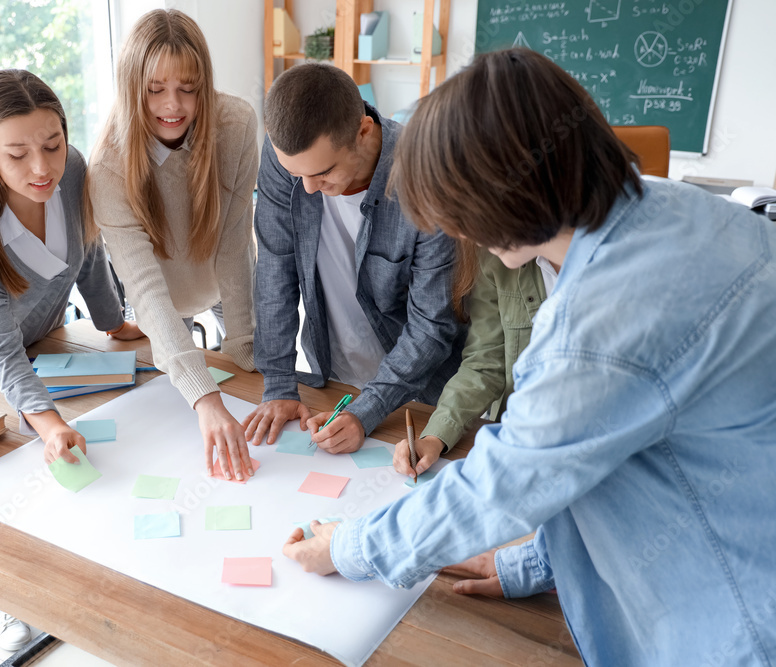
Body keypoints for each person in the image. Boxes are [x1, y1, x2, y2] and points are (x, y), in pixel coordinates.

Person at [283, 48, 776, 665]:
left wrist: (347, 547)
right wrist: (536, 562)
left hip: (734, 624)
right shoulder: (679, 209)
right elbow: (609, 452)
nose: (459, 234)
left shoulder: (602, 319)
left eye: (458, 210)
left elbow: (505, 483)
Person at [0, 69, 143, 650]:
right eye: (17, 154)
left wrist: (112, 322)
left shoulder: (72, 174)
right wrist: (49, 424)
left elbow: (88, 252)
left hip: (38, 338)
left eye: (52, 145)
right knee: (5, 470)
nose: (42, 168)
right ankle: (11, 605)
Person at [245, 63, 464, 455]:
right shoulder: (288, 157)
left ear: (363, 132)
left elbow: (431, 326)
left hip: (420, 397)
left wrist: (368, 410)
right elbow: (275, 268)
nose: (307, 189)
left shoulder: (427, 176)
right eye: (297, 175)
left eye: (322, 173)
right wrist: (278, 381)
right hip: (334, 378)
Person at [87, 10, 259, 481]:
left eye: (188, 88)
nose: (173, 105)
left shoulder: (237, 124)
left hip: (224, 284)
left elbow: (233, 245)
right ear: (130, 87)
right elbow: (147, 291)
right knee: (177, 400)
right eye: (155, 89)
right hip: (163, 295)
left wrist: (245, 351)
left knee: (254, 374)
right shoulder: (107, 169)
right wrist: (206, 398)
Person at [393, 247, 553, 478]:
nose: (477, 240)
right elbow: (485, 361)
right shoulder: (492, 255)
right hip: (511, 442)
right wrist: (435, 437)